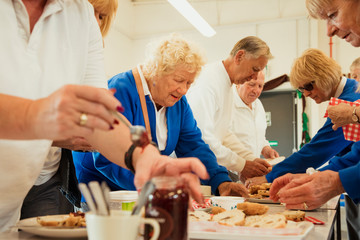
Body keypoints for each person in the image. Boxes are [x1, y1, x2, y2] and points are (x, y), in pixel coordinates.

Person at [0, 0, 207, 232]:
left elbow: (97, 115)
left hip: (11, 209)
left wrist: (145, 158)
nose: (183, 89)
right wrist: (36, 115)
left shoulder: (81, 13)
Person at [73, 34, 249, 202]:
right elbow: (107, 156)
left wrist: (220, 181)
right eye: (179, 80)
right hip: (104, 195)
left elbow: (194, 146)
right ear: (156, 71)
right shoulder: (121, 89)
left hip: (146, 192)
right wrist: (156, 186)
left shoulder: (178, 103)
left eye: (189, 83)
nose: (184, 90)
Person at [247, 48, 360, 186]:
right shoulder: (350, 91)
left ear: (324, 76)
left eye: (308, 86)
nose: (306, 94)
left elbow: (317, 150)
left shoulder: (349, 101)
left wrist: (271, 176)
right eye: (301, 89)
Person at [186, 36, 273, 182]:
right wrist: (242, 164)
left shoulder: (227, 84)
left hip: (207, 168)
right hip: (191, 171)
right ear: (239, 57)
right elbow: (203, 138)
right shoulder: (208, 82)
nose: (255, 76)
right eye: (254, 69)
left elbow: (223, 133)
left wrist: (250, 158)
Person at [225, 70, 279, 159]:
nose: (256, 90)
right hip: (231, 169)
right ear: (238, 83)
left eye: (260, 86)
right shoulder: (227, 104)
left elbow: (258, 137)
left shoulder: (258, 104)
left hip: (253, 167)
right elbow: (221, 143)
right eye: (252, 84)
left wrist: (266, 148)